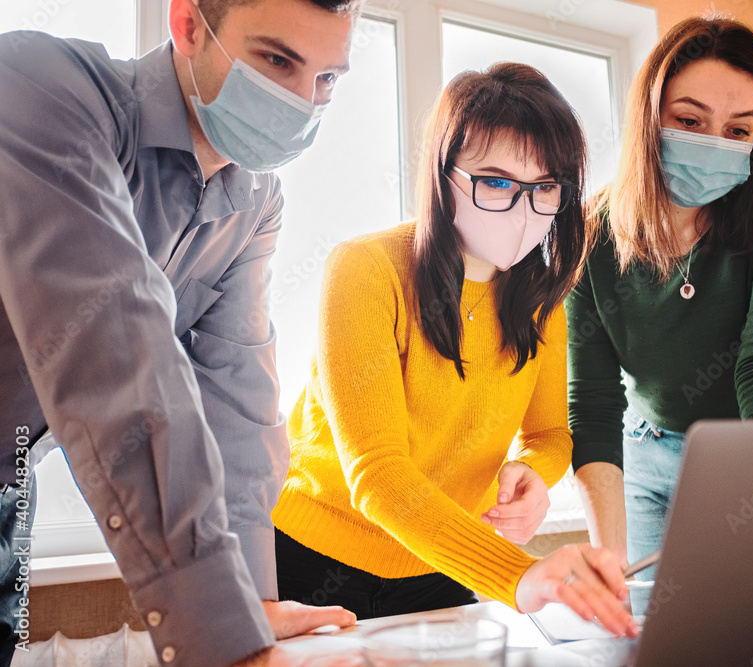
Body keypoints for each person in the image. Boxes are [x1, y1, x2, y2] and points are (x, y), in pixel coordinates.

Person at [0, 0, 361, 664]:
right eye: (277, 60)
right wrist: (224, 639)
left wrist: (252, 599)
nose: (302, 103)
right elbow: (115, 351)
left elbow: (238, 395)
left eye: (327, 78)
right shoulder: (37, 83)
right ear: (189, 24)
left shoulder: (253, 201)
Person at [271, 62, 638, 638]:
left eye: (545, 189)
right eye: (496, 182)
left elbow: (550, 436)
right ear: (444, 178)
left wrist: (535, 474)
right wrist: (520, 576)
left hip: (440, 562)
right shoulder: (365, 270)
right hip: (310, 554)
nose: (524, 210)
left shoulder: (543, 301)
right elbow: (377, 474)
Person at [567, 16, 753, 614]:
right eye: (689, 121)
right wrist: (607, 564)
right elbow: (593, 404)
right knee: (657, 627)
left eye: (738, 131)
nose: (714, 144)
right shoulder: (588, 235)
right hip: (648, 449)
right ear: (648, 118)